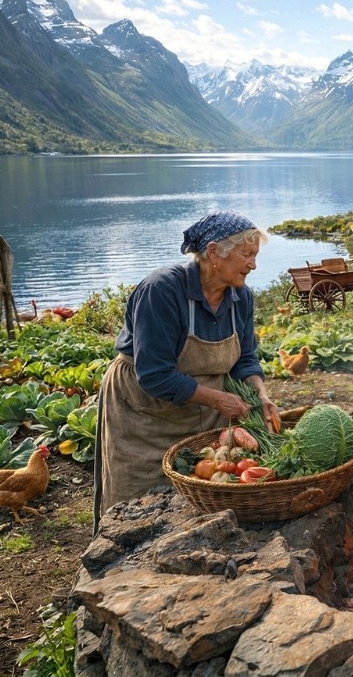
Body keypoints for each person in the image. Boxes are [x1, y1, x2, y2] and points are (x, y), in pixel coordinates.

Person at [94, 211, 281, 527]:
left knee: (203, 492)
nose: (253, 265)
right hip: (145, 413)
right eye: (246, 255)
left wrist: (261, 394)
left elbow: (245, 359)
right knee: (137, 508)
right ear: (213, 253)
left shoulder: (241, 297)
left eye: (255, 256)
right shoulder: (162, 292)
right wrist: (220, 400)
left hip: (203, 413)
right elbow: (154, 374)